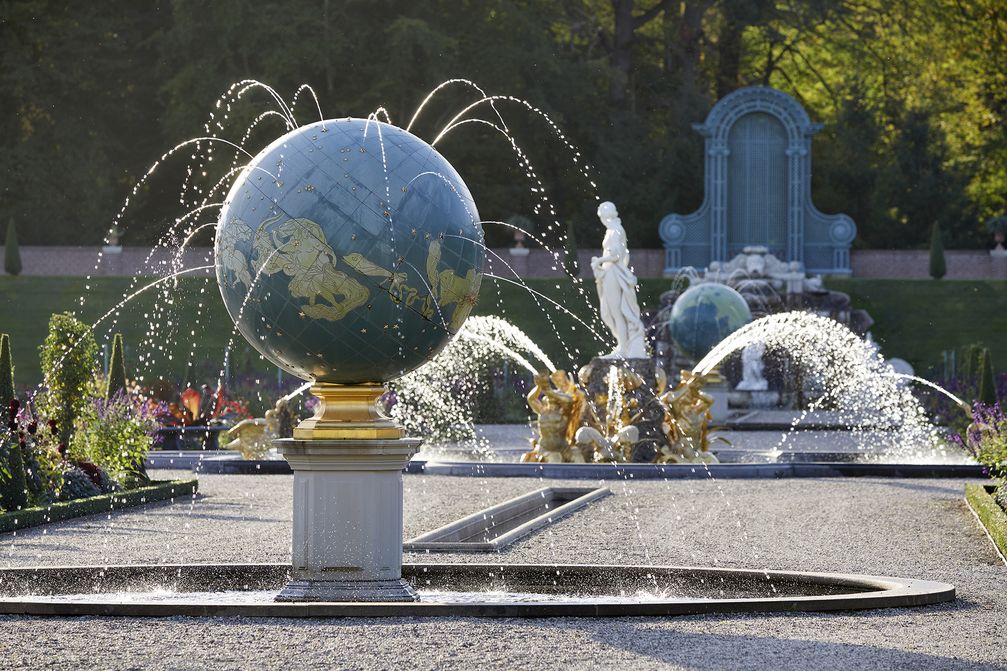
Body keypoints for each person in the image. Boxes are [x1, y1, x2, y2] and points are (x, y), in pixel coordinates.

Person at [591, 202, 648, 359]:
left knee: (617, 312)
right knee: (610, 312)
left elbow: (616, 256)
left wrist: (598, 261)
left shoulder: (615, 230)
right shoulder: (612, 230)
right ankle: (622, 345)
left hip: (613, 273)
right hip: (609, 271)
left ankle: (623, 349)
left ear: (604, 216)